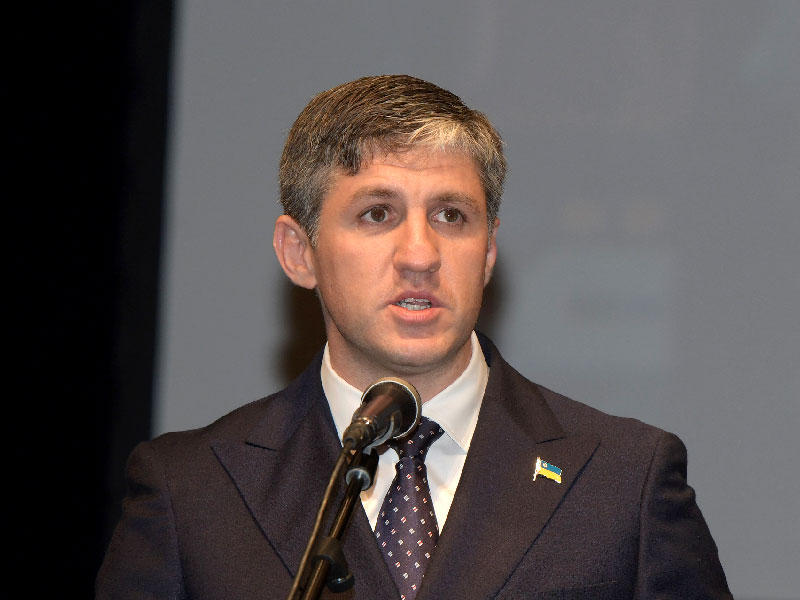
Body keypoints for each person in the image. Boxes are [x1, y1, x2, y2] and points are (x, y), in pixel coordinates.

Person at [97, 75, 732, 599]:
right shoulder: (190, 492)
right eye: (377, 214)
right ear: (299, 252)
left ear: (488, 252)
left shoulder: (625, 481)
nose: (421, 255)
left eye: (452, 216)